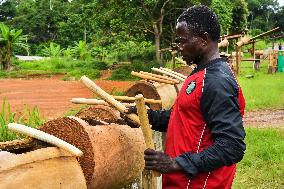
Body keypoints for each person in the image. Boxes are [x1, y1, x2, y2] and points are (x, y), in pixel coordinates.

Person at [125, 5, 246, 189]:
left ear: (204, 39)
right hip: (181, 182)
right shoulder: (199, 73)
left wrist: (175, 164)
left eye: (182, 41)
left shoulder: (217, 82)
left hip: (200, 184)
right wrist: (145, 116)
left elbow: (232, 146)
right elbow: (181, 119)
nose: (179, 48)